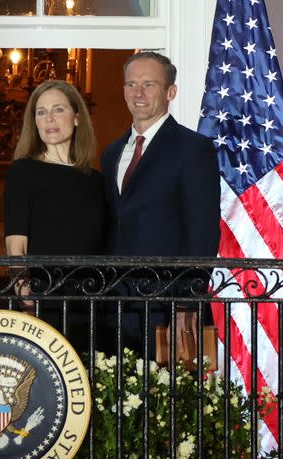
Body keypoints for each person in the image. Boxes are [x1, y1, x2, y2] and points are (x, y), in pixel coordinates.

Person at [99, 51, 220, 357]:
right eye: (131, 84)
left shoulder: (193, 149)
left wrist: (188, 303)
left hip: (168, 306)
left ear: (171, 92)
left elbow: (203, 231)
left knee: (172, 402)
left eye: (148, 84)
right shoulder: (111, 153)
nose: (138, 93)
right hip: (116, 306)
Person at [4, 80, 108, 349]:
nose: (49, 119)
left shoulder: (96, 179)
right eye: (41, 112)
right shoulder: (23, 171)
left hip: (91, 297)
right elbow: (16, 242)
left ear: (76, 118)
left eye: (58, 110)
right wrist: (24, 295)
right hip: (41, 296)